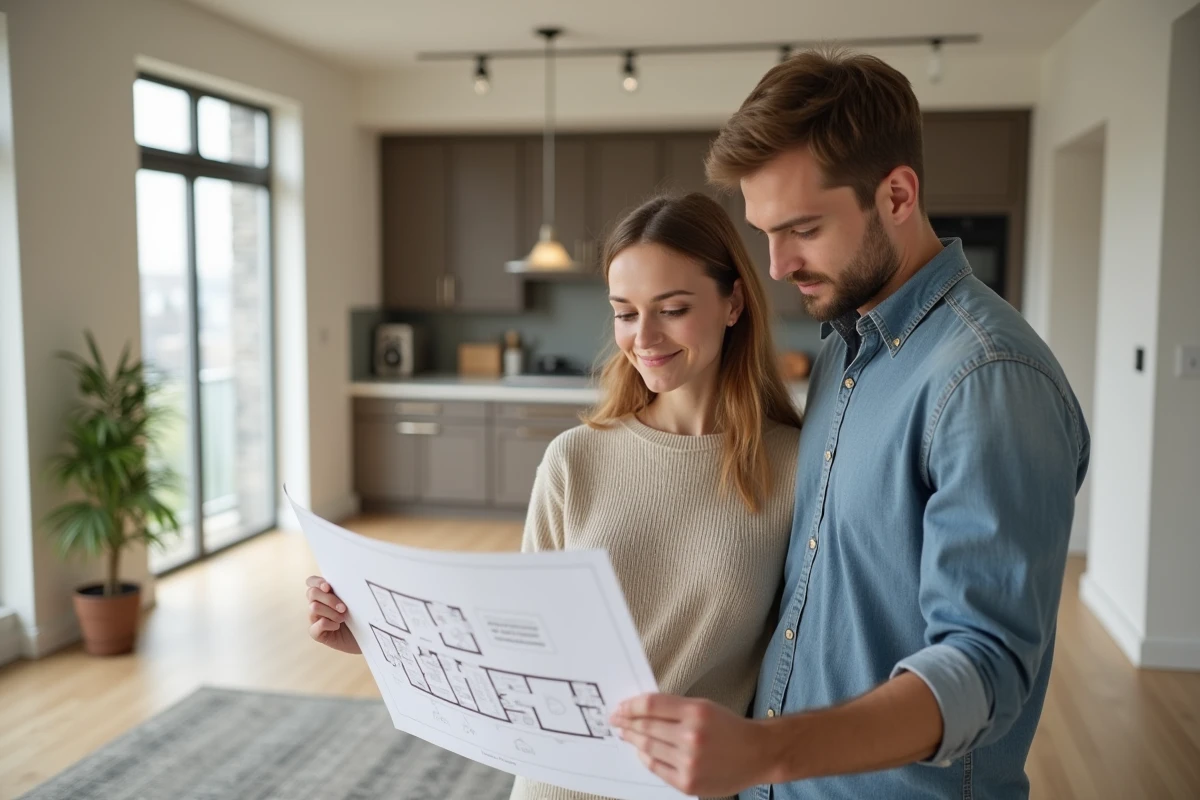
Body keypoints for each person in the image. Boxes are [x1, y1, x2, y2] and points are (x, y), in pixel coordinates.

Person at [610, 48, 1090, 800]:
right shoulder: (845, 346)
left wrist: (767, 752)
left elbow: (984, 667)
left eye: (802, 228)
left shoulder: (987, 377)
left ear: (897, 195)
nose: (775, 265)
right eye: (765, 231)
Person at [304, 192, 804, 800]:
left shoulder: (795, 467)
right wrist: (377, 640)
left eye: (671, 308)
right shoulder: (575, 459)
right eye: (624, 312)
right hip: (556, 788)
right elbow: (521, 655)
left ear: (733, 303)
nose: (643, 336)